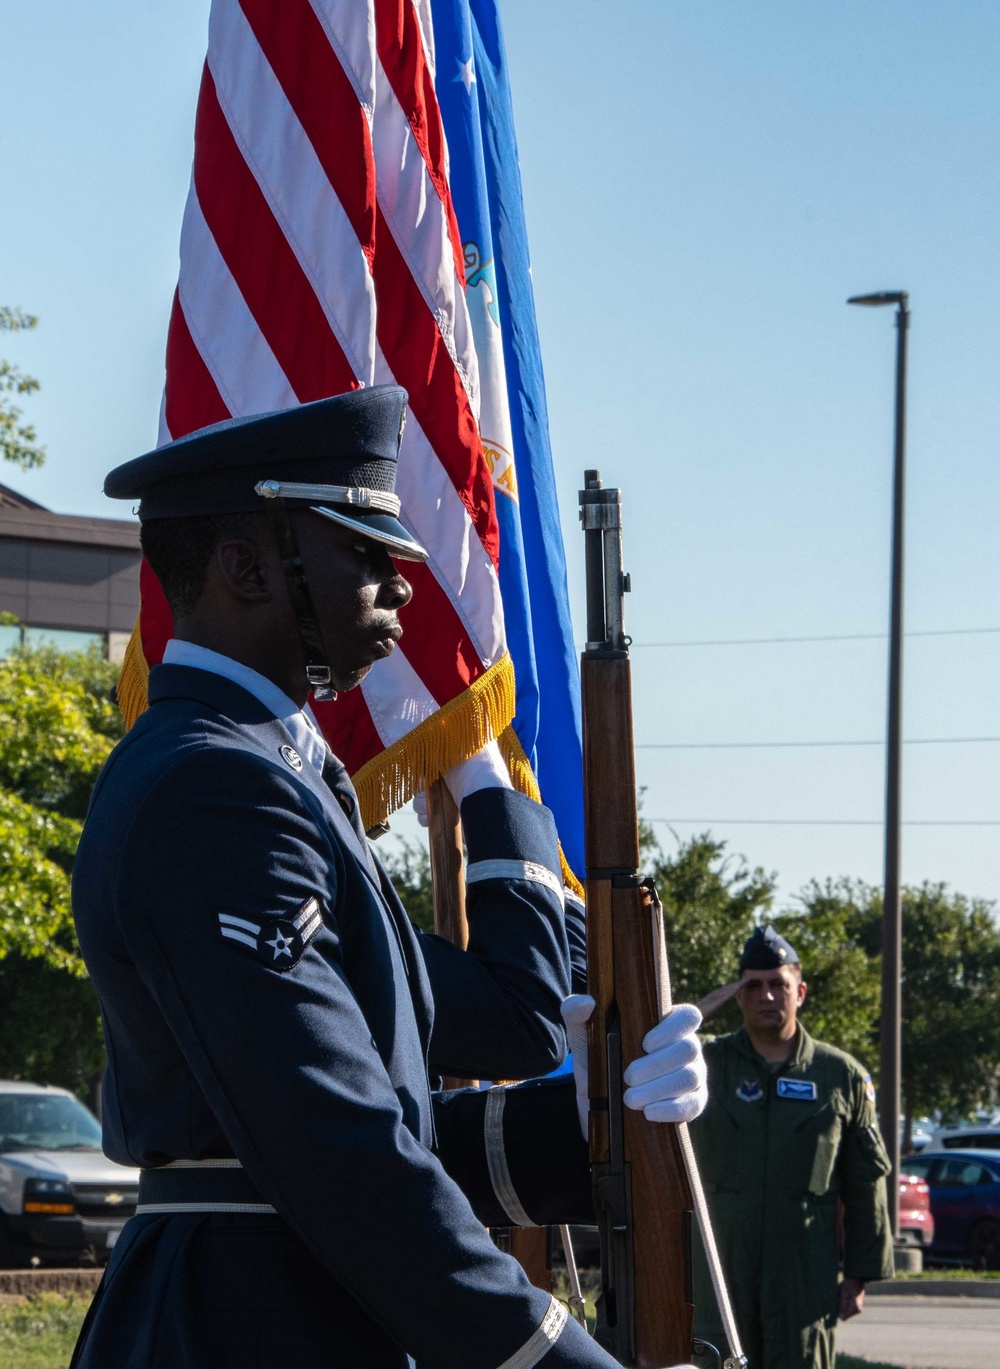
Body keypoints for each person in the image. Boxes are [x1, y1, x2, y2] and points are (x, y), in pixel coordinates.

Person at [70, 386, 707, 1369]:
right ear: (245, 566)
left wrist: (588, 1112)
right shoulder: (215, 786)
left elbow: (398, 1094)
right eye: (367, 555)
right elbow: (336, 1146)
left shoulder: (269, 774)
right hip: (244, 1323)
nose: (405, 587)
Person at [689, 925, 894, 1369]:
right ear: (737, 994)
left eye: (778, 985)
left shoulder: (840, 1075)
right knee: (716, 1359)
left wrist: (859, 1274)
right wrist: (701, 1009)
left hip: (804, 1268)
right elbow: (647, 1040)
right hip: (719, 1264)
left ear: (799, 992)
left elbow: (865, 1183)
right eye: (753, 986)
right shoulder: (703, 1063)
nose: (766, 996)